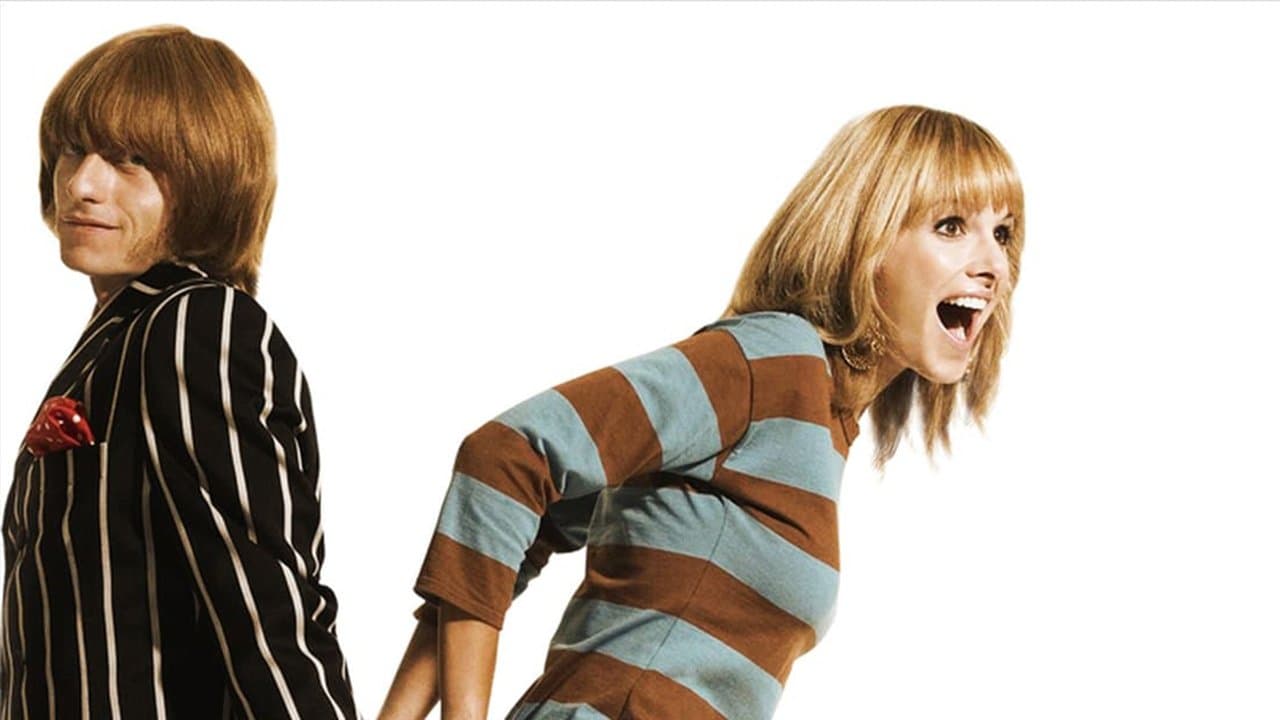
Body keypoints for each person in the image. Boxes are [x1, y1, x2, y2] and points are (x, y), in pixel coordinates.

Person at [378, 104, 1024, 720]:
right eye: (950, 226)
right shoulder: (772, 363)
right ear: (864, 238)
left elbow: (531, 530)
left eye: (1002, 233)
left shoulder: (825, 421)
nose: (994, 264)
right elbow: (507, 455)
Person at [0, 26, 359, 719]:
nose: (81, 184)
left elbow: (267, 616)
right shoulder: (119, 338)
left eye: (131, 160)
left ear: (209, 180)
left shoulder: (196, 323)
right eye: (72, 150)